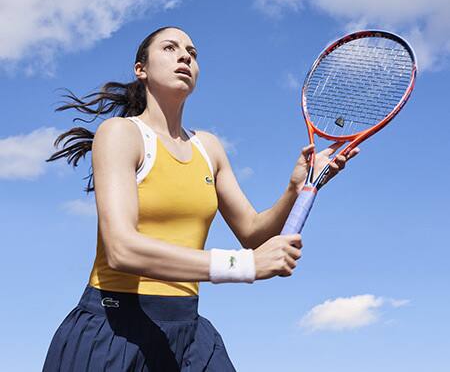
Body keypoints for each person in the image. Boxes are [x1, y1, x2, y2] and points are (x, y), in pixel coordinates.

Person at [42, 26, 359, 371]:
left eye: (192, 53)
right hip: (116, 326)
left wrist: (295, 189)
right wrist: (244, 265)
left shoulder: (208, 147)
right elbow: (122, 250)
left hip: (188, 329)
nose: (184, 56)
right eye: (170, 48)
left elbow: (254, 234)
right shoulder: (121, 134)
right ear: (141, 69)